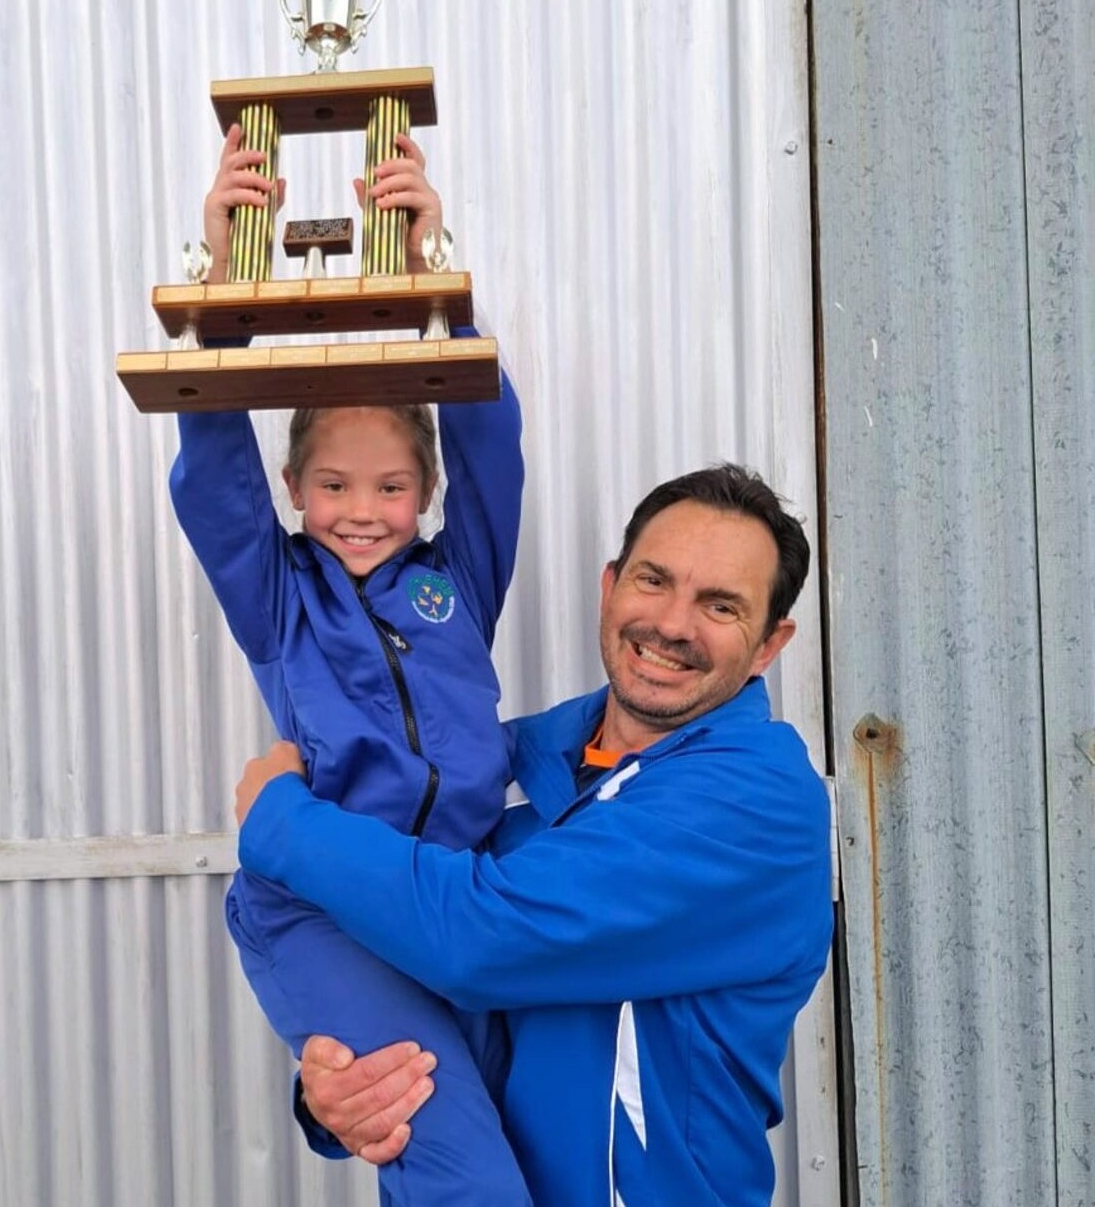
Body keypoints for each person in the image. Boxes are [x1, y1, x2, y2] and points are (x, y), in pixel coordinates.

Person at [234, 464, 835, 1207]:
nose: (673, 624)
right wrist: (342, 1095)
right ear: (610, 588)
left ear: (770, 644)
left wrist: (280, 821)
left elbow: (480, 939)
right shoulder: (511, 765)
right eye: (654, 581)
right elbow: (404, 955)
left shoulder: (757, 803)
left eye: (721, 606)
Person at [170, 125, 531, 1206]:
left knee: (518, 1150)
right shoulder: (280, 597)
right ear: (294, 489)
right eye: (332, 485)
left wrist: (439, 290)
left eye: (387, 487)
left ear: (422, 491)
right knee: (460, 1173)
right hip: (324, 905)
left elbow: (494, 452)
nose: (361, 512)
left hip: (458, 895)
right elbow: (210, 476)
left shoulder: (455, 581)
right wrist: (229, 280)